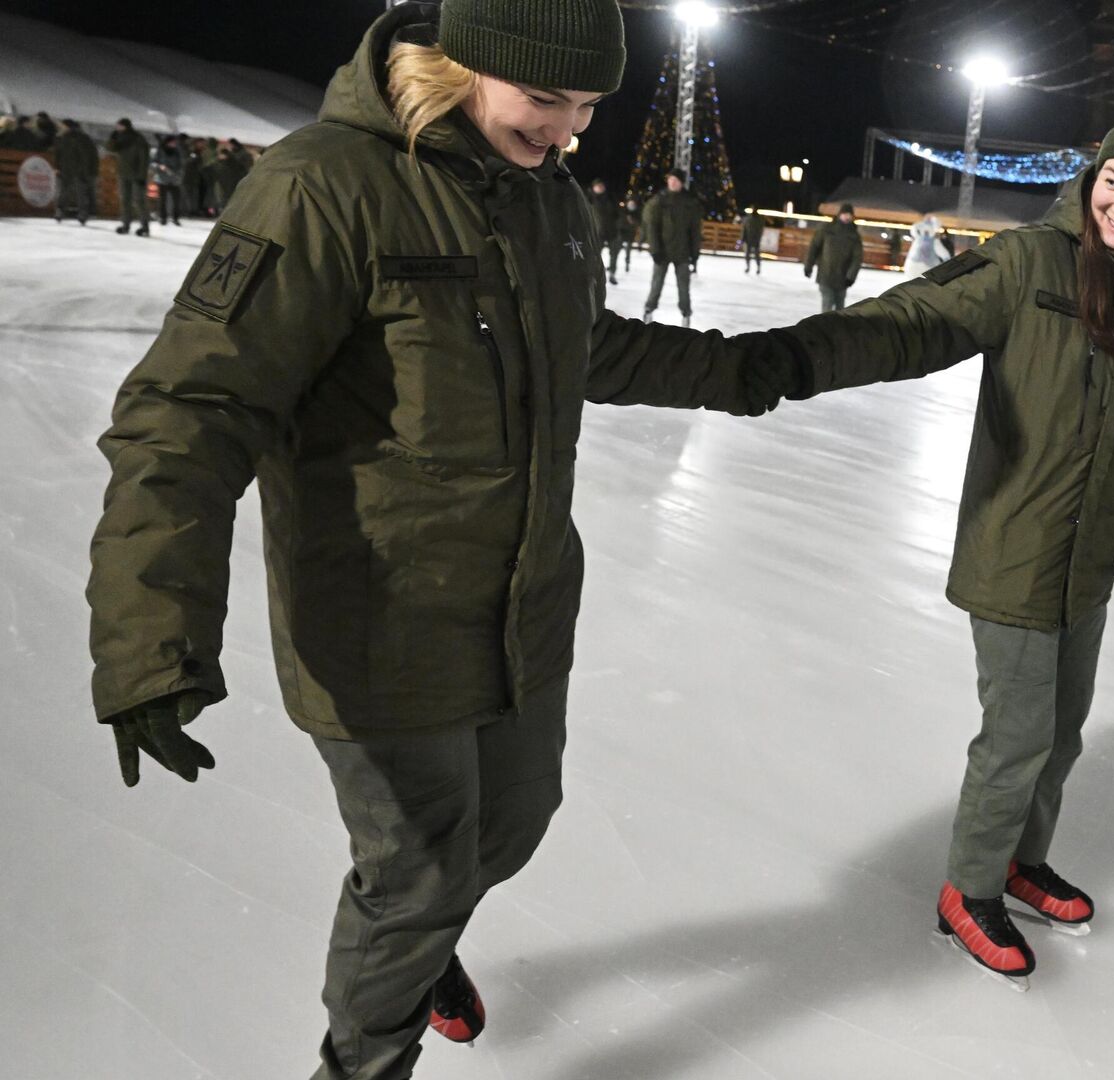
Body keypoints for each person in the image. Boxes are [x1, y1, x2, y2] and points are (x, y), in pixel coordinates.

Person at [84, 3, 788, 1077]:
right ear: (461, 64)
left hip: (521, 610)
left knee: (514, 821)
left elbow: (583, 346)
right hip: (381, 620)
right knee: (417, 872)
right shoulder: (326, 185)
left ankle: (419, 944)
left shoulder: (549, 200)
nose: (567, 131)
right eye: (545, 98)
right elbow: (191, 409)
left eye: (587, 107)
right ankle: (366, 1055)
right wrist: (150, 637)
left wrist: (745, 370)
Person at [757, 90, 1114, 990]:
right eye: (1113, 182)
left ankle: (1022, 862)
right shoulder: (1030, 263)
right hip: (1015, 549)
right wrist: (794, 357)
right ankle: (970, 888)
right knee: (1017, 736)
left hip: (1091, 562)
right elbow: (915, 321)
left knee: (1061, 735)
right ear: (1093, 177)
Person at [641, 167, 702, 325]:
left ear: (681, 183)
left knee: (684, 286)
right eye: (671, 179)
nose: (673, 182)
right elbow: (652, 227)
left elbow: (695, 230)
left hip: (682, 252)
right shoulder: (659, 200)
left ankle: (686, 313)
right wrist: (655, 250)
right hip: (662, 251)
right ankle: (649, 309)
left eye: (676, 180)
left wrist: (695, 252)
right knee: (657, 283)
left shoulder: (690, 202)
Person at [803, 202, 863, 312]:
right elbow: (814, 248)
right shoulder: (826, 229)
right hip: (825, 275)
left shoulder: (854, 235)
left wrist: (851, 277)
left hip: (842, 279)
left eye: (849, 215)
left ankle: (835, 323)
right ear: (839, 214)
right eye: (845, 214)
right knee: (827, 305)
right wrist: (808, 266)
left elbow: (857, 258)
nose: (847, 217)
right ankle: (825, 323)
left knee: (840, 309)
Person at [107, 120, 153, 237]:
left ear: (125, 126)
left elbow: (144, 158)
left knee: (139, 200)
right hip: (123, 173)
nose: (117, 128)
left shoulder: (138, 138)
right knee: (125, 200)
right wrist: (112, 138)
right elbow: (111, 148)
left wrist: (142, 176)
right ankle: (125, 225)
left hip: (136, 174)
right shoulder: (120, 138)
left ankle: (145, 227)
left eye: (119, 126)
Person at [51, 118, 99, 226]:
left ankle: (81, 214)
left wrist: (89, 169)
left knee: (80, 193)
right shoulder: (61, 138)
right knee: (66, 192)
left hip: (78, 170)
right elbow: (57, 153)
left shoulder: (81, 138)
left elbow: (89, 155)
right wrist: (57, 166)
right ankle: (62, 212)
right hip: (67, 169)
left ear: (68, 127)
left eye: (62, 126)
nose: (60, 128)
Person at [587, 177, 620, 284]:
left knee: (614, 254)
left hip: (612, 231)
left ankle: (612, 273)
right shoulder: (589, 199)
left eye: (602, 186)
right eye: (598, 186)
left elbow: (618, 214)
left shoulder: (611, 198)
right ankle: (594, 274)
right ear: (593, 187)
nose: (600, 188)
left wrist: (617, 226)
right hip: (597, 232)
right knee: (595, 254)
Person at [152, 134, 186, 226]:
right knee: (162, 200)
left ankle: (175, 218)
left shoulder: (177, 151)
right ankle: (163, 217)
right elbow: (153, 163)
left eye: (174, 142)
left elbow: (181, 165)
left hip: (174, 180)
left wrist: (178, 175)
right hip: (162, 179)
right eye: (172, 142)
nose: (174, 144)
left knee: (176, 200)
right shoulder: (160, 151)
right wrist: (160, 166)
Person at [902, 212, 945, 277]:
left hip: (925, 265)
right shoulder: (919, 239)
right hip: (918, 264)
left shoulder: (932, 240)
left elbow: (942, 252)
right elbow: (915, 229)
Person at [738, 207, 765, 273]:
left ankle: (755, 267)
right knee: (751, 254)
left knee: (754, 254)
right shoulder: (750, 219)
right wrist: (743, 238)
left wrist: (743, 238)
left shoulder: (756, 219)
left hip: (752, 239)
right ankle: (750, 267)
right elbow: (745, 229)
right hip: (750, 239)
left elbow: (760, 230)